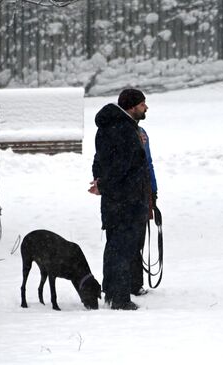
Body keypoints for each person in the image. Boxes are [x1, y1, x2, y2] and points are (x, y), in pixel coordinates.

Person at [88, 88, 151, 310]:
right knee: (123, 248)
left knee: (115, 246)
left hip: (117, 200)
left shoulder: (110, 127)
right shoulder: (123, 130)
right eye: (143, 104)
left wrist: (99, 182)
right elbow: (122, 165)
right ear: (132, 106)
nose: (146, 108)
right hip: (127, 200)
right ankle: (120, 298)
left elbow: (100, 160)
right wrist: (103, 184)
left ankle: (112, 292)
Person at [131, 126, 158, 297]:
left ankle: (134, 282)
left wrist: (153, 191)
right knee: (131, 241)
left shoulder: (141, 132)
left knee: (138, 240)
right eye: (141, 104)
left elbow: (148, 163)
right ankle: (131, 283)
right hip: (133, 194)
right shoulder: (130, 132)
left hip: (142, 193)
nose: (146, 107)